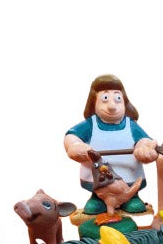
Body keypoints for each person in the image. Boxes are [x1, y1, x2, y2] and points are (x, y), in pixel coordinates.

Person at [64, 74, 158, 215]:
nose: (112, 106)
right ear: (94, 102)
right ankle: (98, 199)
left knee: (133, 200)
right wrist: (75, 146)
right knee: (96, 203)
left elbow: (144, 139)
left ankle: (131, 197)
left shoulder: (130, 125)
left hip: (130, 176)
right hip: (98, 181)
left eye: (118, 99)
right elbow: (71, 136)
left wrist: (144, 148)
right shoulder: (90, 125)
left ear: (124, 102)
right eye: (105, 99)